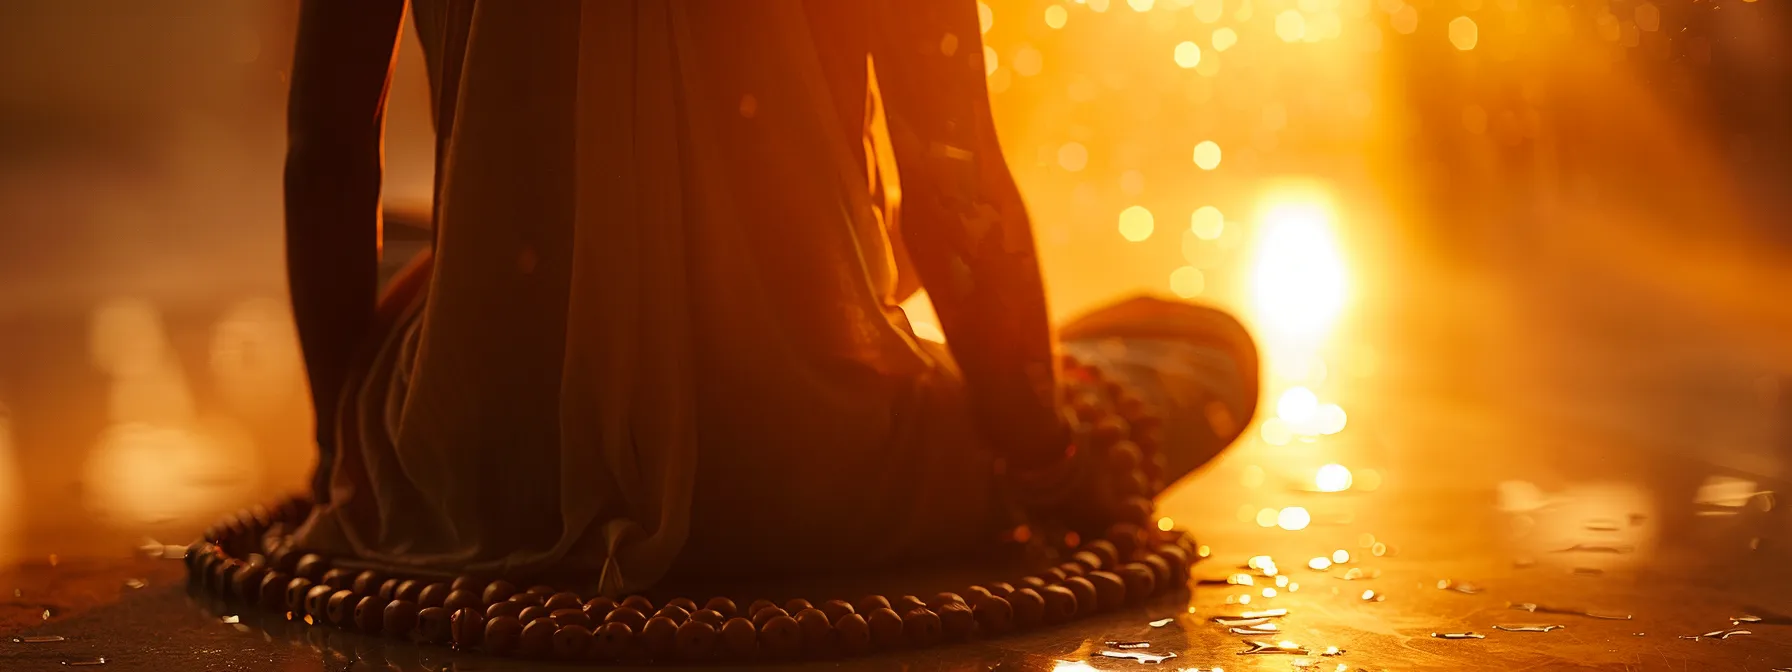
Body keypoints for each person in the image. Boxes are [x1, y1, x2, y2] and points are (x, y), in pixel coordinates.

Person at [282, 0, 1258, 595]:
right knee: (1202, 348)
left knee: (408, 243)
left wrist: (353, 456)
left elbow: (325, 158)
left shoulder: (443, 469)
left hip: (480, 462)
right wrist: (1047, 463)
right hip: (813, 473)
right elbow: (955, 195)